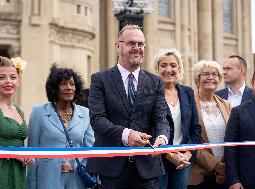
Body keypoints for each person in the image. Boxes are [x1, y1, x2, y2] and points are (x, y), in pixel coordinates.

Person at [86, 24, 170, 189]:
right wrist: (126, 134)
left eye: (140, 44)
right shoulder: (100, 79)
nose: (137, 48)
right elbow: (97, 119)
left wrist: (162, 137)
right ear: (118, 46)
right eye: (132, 43)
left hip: (147, 169)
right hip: (111, 168)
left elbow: (161, 118)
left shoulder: (155, 82)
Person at [27, 64, 95, 189]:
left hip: (77, 180)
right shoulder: (39, 112)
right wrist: (31, 184)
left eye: (72, 84)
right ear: (55, 88)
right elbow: (32, 153)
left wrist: (88, 173)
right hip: (47, 179)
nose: (69, 88)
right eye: (64, 84)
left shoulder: (85, 113)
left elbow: (89, 151)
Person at [153, 48, 201, 189]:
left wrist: (187, 154)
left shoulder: (187, 92)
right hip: (159, 160)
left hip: (183, 160)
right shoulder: (151, 93)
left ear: (179, 68)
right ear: (157, 68)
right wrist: (169, 155)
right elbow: (148, 127)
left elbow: (195, 128)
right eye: (163, 65)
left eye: (173, 65)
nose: (169, 69)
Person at [188, 60, 231, 189]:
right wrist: (216, 166)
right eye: (206, 74)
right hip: (199, 176)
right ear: (197, 78)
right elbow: (190, 140)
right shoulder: (188, 105)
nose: (211, 77)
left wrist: (223, 167)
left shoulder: (227, 105)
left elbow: (232, 137)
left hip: (225, 174)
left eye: (215, 74)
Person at [0, 56, 34, 189]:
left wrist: (27, 155)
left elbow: (20, 144)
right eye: (2, 77)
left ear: (18, 81)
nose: (8, 81)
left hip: (18, 172)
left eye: (13, 77)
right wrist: (13, 153)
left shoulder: (19, 111)